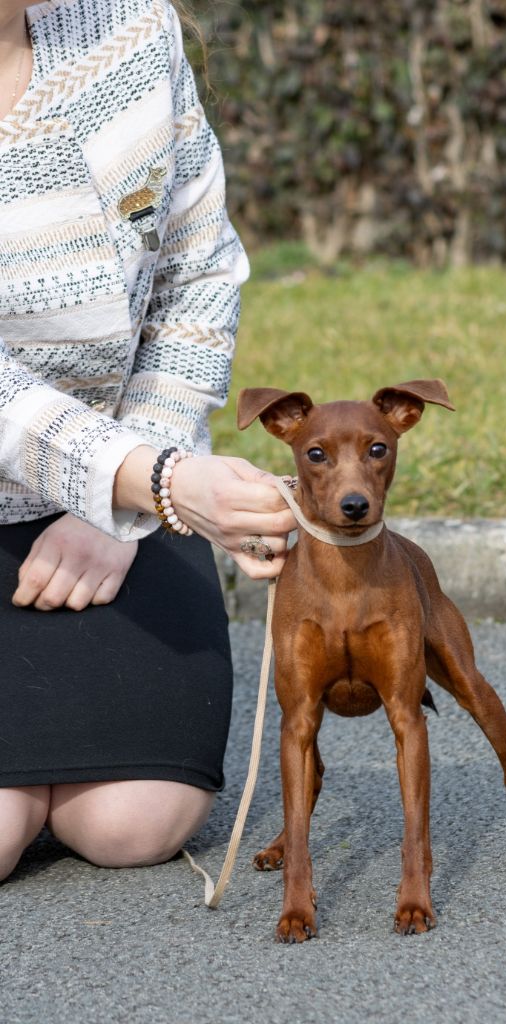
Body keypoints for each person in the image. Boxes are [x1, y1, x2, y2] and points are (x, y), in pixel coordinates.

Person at [0, 0, 295, 882]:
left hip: (123, 485)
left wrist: (133, 489)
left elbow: (197, 270)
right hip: (129, 476)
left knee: (133, 825)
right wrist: (148, 481)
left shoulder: (131, 30)